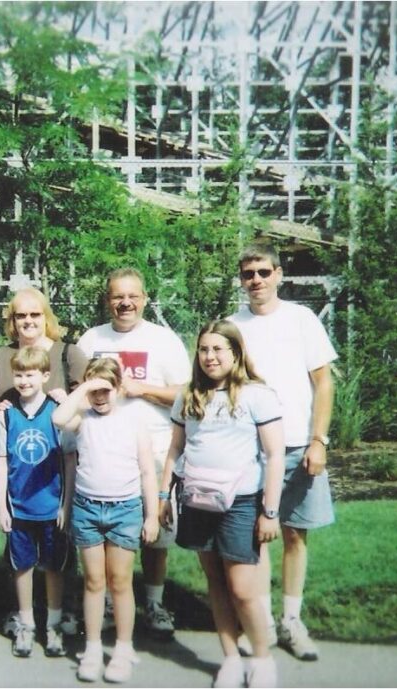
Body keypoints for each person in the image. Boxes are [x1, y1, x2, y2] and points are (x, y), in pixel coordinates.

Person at [158, 320, 284, 688]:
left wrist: (270, 511)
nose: (210, 356)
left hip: (242, 503)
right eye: (203, 349)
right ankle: (230, 658)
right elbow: (175, 449)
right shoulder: (188, 396)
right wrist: (164, 495)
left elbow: (274, 456)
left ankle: (261, 659)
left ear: (235, 353)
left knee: (243, 588)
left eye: (218, 349)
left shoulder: (257, 395)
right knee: (215, 582)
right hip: (197, 500)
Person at [228, 241, 337, 662]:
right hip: (246, 448)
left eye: (263, 272)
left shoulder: (301, 319)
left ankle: (291, 619)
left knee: (294, 532)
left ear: (278, 275)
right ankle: (261, 625)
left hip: (296, 445)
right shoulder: (231, 325)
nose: (256, 281)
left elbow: (323, 382)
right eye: (248, 274)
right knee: (254, 536)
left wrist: (318, 440)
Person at [76, 268, 191, 639]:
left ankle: (155, 603)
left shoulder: (163, 340)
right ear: (107, 299)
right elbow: (79, 392)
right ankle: (108, 602)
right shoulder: (91, 339)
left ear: (144, 298)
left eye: (132, 296)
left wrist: (143, 389)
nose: (125, 303)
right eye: (117, 296)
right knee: (107, 533)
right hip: (103, 453)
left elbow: (185, 394)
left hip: (154, 450)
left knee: (156, 533)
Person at [0, 287, 88, 633]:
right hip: (20, 461)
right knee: (22, 546)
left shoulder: (69, 353)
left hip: (61, 461)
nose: (27, 321)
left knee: (60, 539)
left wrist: (65, 402)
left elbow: (89, 401)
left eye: (34, 314)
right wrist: (2, 415)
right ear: (12, 320)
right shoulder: (0, 357)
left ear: (46, 317)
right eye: (20, 315)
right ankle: (22, 614)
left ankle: (63, 609)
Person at [53, 358, 159, 684]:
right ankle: (94, 646)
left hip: (125, 510)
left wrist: (152, 514)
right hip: (87, 509)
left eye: (105, 390)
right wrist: (85, 388)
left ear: (118, 388)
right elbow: (58, 417)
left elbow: (146, 471)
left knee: (120, 581)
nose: (100, 397)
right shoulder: (81, 419)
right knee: (94, 581)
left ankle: (123, 649)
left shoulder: (133, 421)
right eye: (94, 391)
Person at [0, 346, 75, 659]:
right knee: (22, 566)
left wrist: (66, 504)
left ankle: (52, 624)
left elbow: (69, 460)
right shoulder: (7, 416)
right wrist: (1, 506)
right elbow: (0, 461)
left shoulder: (57, 411)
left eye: (30, 374)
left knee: (54, 566)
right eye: (19, 374)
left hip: (51, 507)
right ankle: (26, 623)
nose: (24, 381)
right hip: (20, 506)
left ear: (44, 375)